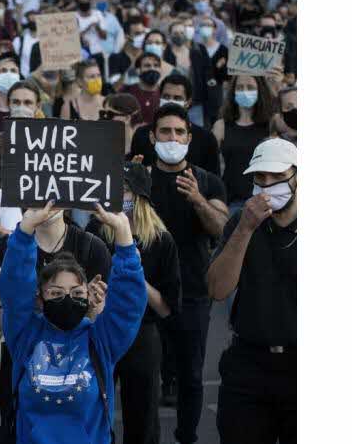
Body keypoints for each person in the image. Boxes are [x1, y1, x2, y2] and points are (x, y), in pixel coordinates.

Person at [0, 201, 147, 444]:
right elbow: (14, 288)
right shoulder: (25, 335)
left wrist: (124, 236)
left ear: (88, 297)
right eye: (56, 293)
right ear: (40, 299)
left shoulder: (100, 341)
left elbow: (128, 306)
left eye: (77, 294)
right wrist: (26, 230)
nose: (67, 299)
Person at [0, 184, 112, 444]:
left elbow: (104, 332)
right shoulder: (6, 248)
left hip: (79, 373)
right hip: (23, 365)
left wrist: (94, 308)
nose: (46, 201)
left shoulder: (92, 248)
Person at [145, 103, 228, 444]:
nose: (172, 138)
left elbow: (221, 229)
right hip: (144, 290)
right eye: (165, 131)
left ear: (189, 138)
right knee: (144, 374)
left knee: (192, 375)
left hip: (192, 291)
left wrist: (197, 198)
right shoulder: (139, 178)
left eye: (179, 132)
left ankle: (187, 436)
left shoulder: (207, 181)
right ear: (152, 137)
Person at [207, 139, 297, 444]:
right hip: (248, 362)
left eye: (277, 176)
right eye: (260, 178)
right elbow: (218, 289)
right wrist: (245, 228)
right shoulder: (240, 223)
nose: (268, 185)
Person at [85, 163, 181, 444]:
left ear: (139, 197)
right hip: (102, 330)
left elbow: (166, 308)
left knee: (143, 419)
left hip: (142, 336)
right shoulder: (95, 230)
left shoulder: (162, 240)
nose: (115, 195)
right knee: (94, 409)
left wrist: (135, 275)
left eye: (123, 189)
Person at [130, 75, 221, 176]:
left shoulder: (206, 139)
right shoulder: (142, 135)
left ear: (188, 102)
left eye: (177, 98)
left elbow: (214, 181)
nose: (171, 101)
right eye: (166, 97)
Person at [212, 75, 274, 217]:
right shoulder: (221, 126)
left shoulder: (271, 124)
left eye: (250, 87)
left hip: (264, 200)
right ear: (233, 92)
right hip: (231, 201)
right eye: (240, 87)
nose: (245, 91)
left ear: (260, 91)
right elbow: (212, 165)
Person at [163, 20, 213, 128]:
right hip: (172, 103)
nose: (179, 36)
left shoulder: (196, 53)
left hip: (195, 103)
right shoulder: (165, 55)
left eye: (182, 33)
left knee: (196, 134)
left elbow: (205, 76)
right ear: (170, 35)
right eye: (175, 33)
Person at [120, 53, 164, 126]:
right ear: (138, 70)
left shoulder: (165, 94)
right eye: (147, 66)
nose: (152, 68)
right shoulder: (126, 91)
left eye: (156, 66)